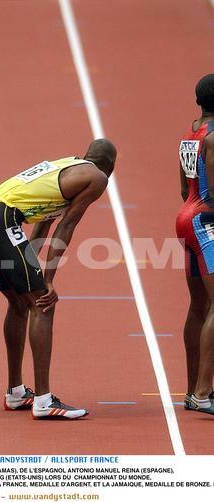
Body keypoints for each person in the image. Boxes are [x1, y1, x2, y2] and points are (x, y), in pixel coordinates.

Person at [0, 140, 117, 420]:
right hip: (3, 221)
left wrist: (33, 270)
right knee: (43, 304)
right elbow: (66, 226)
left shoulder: (66, 166)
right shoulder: (96, 178)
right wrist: (47, 280)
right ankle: (44, 401)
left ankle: (15, 393)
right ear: (110, 167)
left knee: (19, 303)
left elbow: (44, 223)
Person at [177, 74, 214, 415]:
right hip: (207, 221)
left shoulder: (190, 132)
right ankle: (204, 392)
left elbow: (182, 185)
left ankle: (193, 392)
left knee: (199, 306)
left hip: (187, 216)